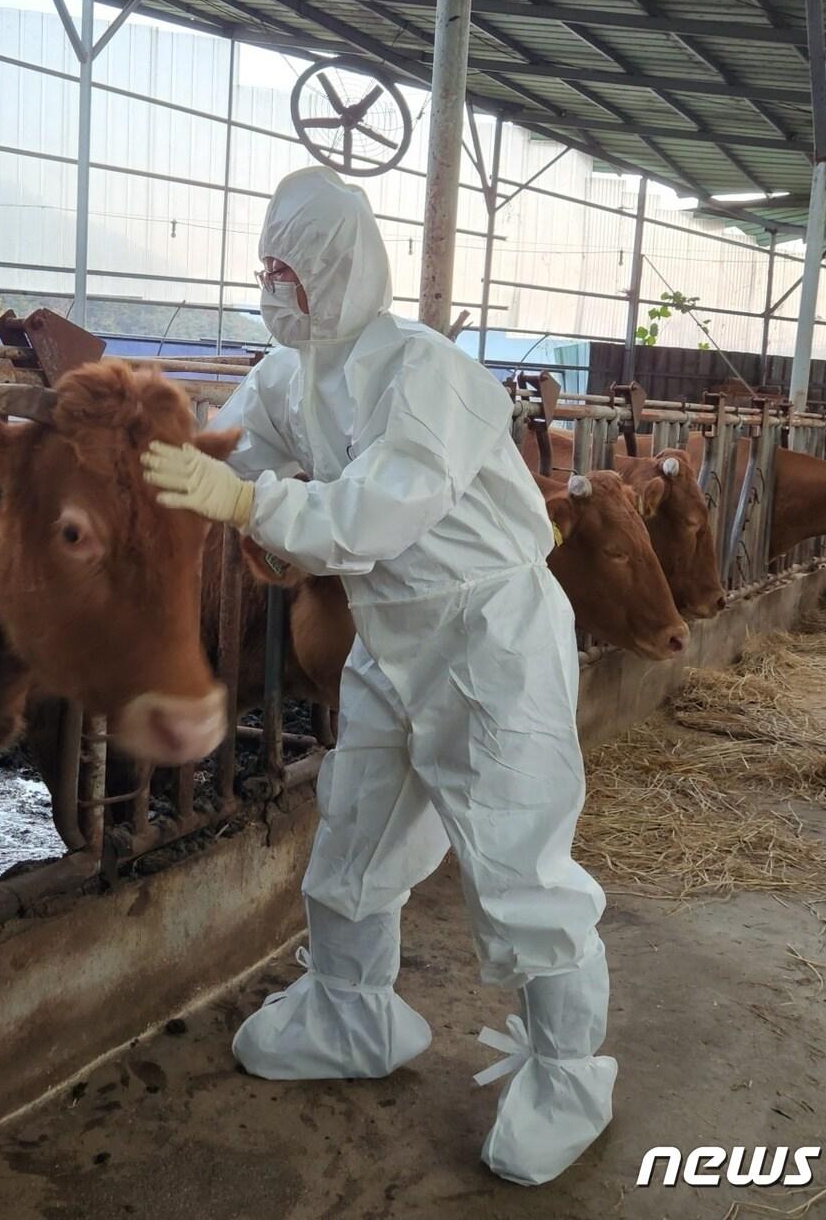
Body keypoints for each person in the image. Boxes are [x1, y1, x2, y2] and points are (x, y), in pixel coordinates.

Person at [140, 165, 616, 1186]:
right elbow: (237, 447)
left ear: (339, 269)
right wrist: (160, 449)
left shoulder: (423, 370)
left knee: (517, 864)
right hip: (390, 634)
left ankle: (568, 1074)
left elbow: (374, 509)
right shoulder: (287, 371)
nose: (274, 286)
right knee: (353, 831)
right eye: (264, 266)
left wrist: (247, 505)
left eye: (290, 268)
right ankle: (352, 1014)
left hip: (487, 632)